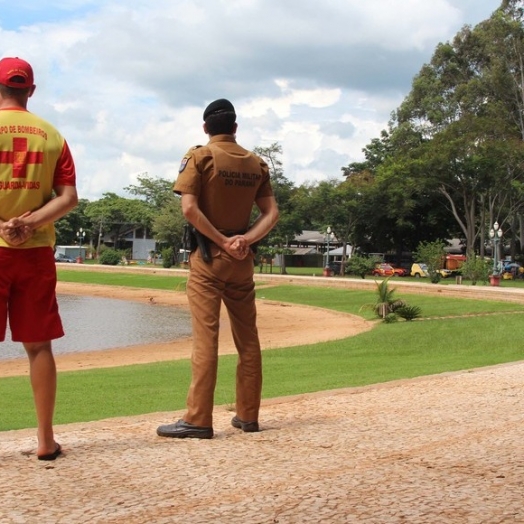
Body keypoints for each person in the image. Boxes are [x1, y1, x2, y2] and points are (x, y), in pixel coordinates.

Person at [157, 98, 279, 439]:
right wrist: (245, 240)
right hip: (242, 263)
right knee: (248, 339)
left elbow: (189, 210)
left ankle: (198, 419)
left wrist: (223, 242)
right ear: (235, 128)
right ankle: (248, 415)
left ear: (206, 128)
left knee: (206, 340)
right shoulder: (256, 163)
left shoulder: (201, 156)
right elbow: (271, 214)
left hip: (209, 258)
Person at [0, 57, 78, 460]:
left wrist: (3, 226)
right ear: (30, 90)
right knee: (38, 347)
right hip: (34, 253)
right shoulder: (52, 135)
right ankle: (46, 441)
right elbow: (68, 197)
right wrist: (27, 224)